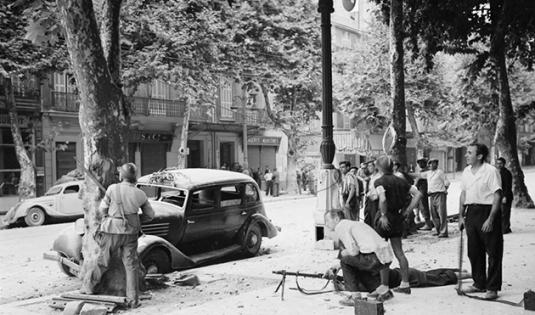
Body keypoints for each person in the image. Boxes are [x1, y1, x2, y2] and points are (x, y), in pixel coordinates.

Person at [85, 163, 155, 308]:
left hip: (111, 231)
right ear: (134, 177)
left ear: (121, 176)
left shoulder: (112, 189)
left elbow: (102, 210)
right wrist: (134, 220)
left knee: (103, 261)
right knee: (131, 266)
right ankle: (133, 301)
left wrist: (111, 216)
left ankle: (88, 288)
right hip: (131, 233)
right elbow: (150, 215)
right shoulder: (140, 194)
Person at [459, 143, 503, 300]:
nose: (466, 155)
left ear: (479, 156)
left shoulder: (491, 171)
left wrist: (491, 219)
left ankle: (492, 287)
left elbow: (497, 196)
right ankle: (479, 283)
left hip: (487, 211)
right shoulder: (466, 172)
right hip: (471, 212)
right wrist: (461, 216)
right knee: (474, 252)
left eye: (470, 153)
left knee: (493, 252)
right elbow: (463, 194)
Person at [374, 155, 423, 295]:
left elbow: (382, 198)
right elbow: (418, 194)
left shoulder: (379, 181)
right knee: (399, 252)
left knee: (382, 252)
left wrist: (383, 215)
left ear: (380, 168)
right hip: (398, 217)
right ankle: (405, 283)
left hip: (385, 218)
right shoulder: (401, 181)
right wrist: (408, 211)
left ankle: (384, 284)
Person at [324, 210, 394, 306]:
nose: (326, 224)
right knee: (356, 263)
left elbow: (353, 251)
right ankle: (383, 291)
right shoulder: (352, 224)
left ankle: (355, 297)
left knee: (345, 261)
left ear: (336, 219)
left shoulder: (340, 226)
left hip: (375, 257)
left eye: (327, 220)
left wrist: (344, 253)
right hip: (385, 256)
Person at [414, 159, 450, 237]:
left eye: (432, 163)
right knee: (434, 214)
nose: (430, 165)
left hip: (440, 194)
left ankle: (443, 232)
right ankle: (438, 230)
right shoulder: (428, 173)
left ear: (436, 164)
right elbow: (418, 175)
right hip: (431, 195)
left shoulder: (440, 172)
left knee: (442, 214)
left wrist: (444, 190)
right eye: (429, 164)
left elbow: (447, 182)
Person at [495, 157, 513, 234]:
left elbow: (508, 186)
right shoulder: (496, 172)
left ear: (504, 164)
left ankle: (505, 229)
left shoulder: (506, 173)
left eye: (500, 163)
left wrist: (505, 196)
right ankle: (505, 228)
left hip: (506, 196)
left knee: (505, 213)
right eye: (497, 163)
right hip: (498, 195)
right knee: (500, 213)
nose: (499, 165)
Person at [415, 158, 433, 230]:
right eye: (419, 163)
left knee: (424, 207)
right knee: (422, 206)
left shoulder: (425, 172)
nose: (420, 165)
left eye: (421, 163)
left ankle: (427, 224)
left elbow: (417, 182)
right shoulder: (425, 171)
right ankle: (426, 222)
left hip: (423, 191)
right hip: (423, 190)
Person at [364, 161, 380, 228]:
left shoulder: (379, 177)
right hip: (369, 199)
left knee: (374, 217)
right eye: (368, 166)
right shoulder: (370, 177)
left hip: (376, 200)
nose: (369, 168)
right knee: (368, 217)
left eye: (370, 166)